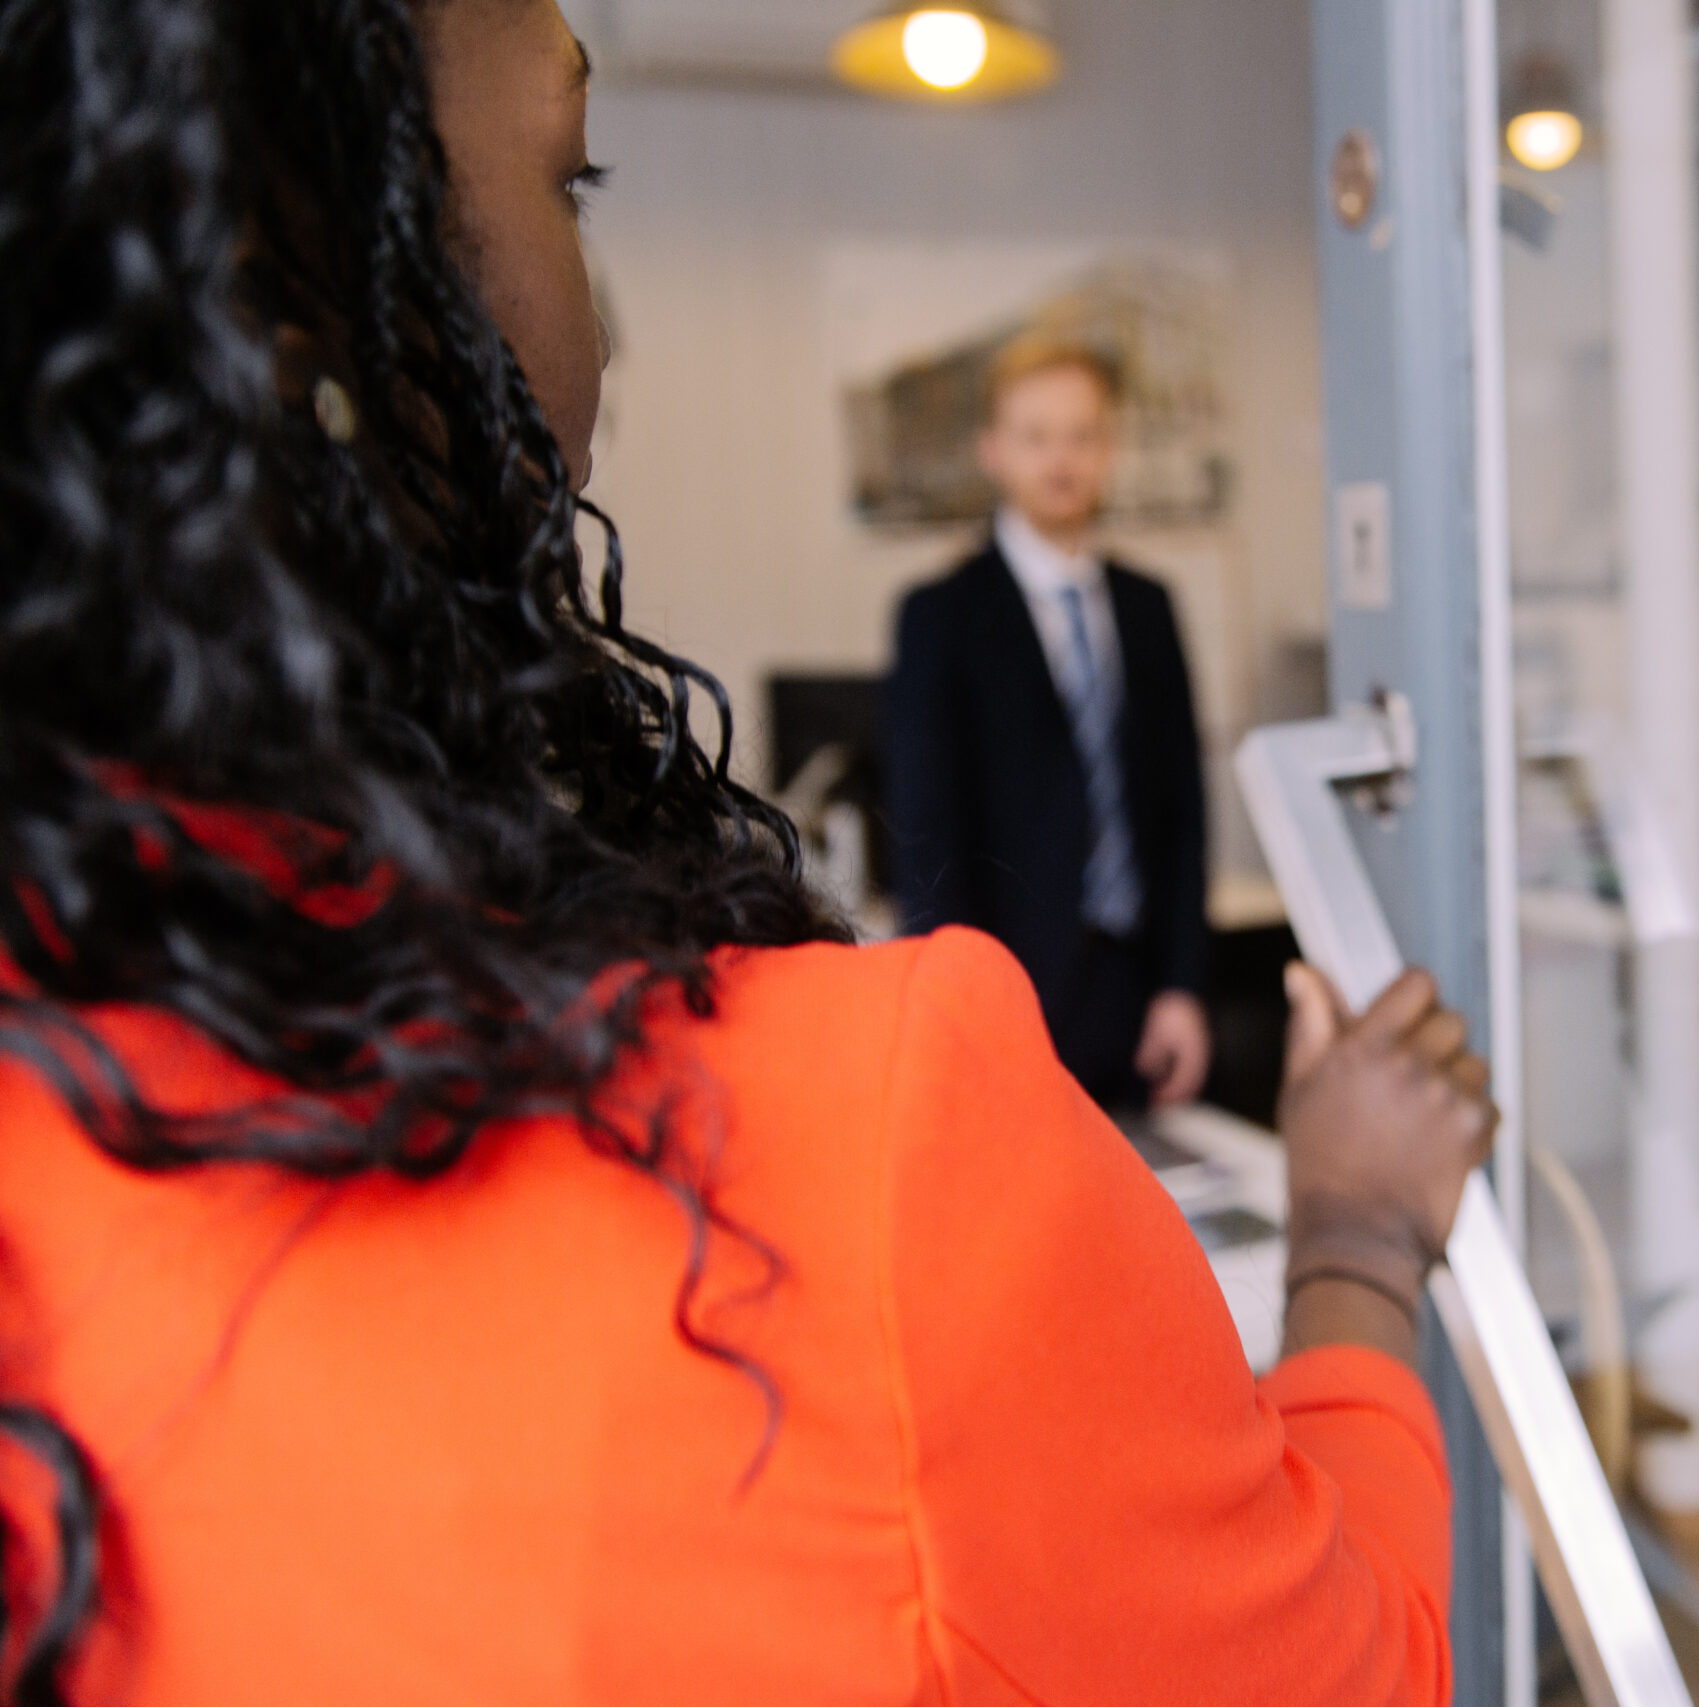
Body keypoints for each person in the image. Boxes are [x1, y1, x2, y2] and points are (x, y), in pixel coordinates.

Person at [0, 3, 1494, 1703]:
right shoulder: (866, 1146)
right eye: (579, 181)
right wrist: (1360, 1237)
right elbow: (1349, 1664)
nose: (605, 334)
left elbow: (1157, 794)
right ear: (293, 254)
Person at [886, 339, 1213, 1111]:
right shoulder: (942, 614)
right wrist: (964, 1012)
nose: (1060, 459)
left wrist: (1182, 987)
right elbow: (926, 832)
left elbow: (1181, 815)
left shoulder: (1147, 605)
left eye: (1082, 435)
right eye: (1036, 436)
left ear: (1109, 450)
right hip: (1013, 990)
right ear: (994, 451)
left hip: (1136, 990)